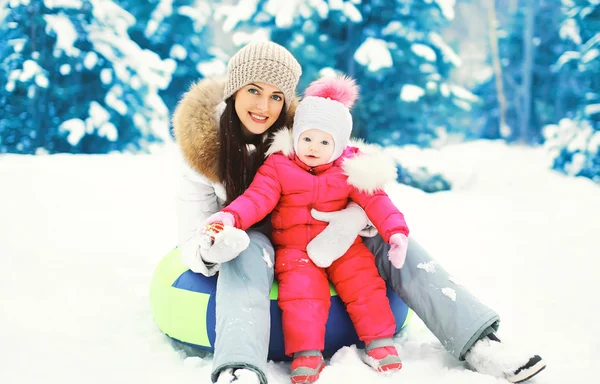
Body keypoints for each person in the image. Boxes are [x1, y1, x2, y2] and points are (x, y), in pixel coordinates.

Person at [172, 41, 546, 384]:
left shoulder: (307, 129)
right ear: (235, 89)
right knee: (245, 248)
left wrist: (356, 219)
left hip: (324, 235)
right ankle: (240, 366)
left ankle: (479, 341)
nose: (263, 106)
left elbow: (355, 179)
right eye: (253, 90)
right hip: (261, 245)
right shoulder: (204, 153)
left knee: (393, 241)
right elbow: (191, 238)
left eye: (275, 96)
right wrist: (212, 247)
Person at [202, 76, 409, 383]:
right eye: (307, 139)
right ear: (296, 136)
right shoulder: (278, 166)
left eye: (325, 142)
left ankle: (379, 342)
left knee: (364, 283)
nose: (314, 147)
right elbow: (257, 199)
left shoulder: (349, 169)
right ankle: (307, 353)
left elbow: (378, 202)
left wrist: (396, 233)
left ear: (338, 146)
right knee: (301, 295)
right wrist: (230, 217)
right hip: (296, 250)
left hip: (342, 245)